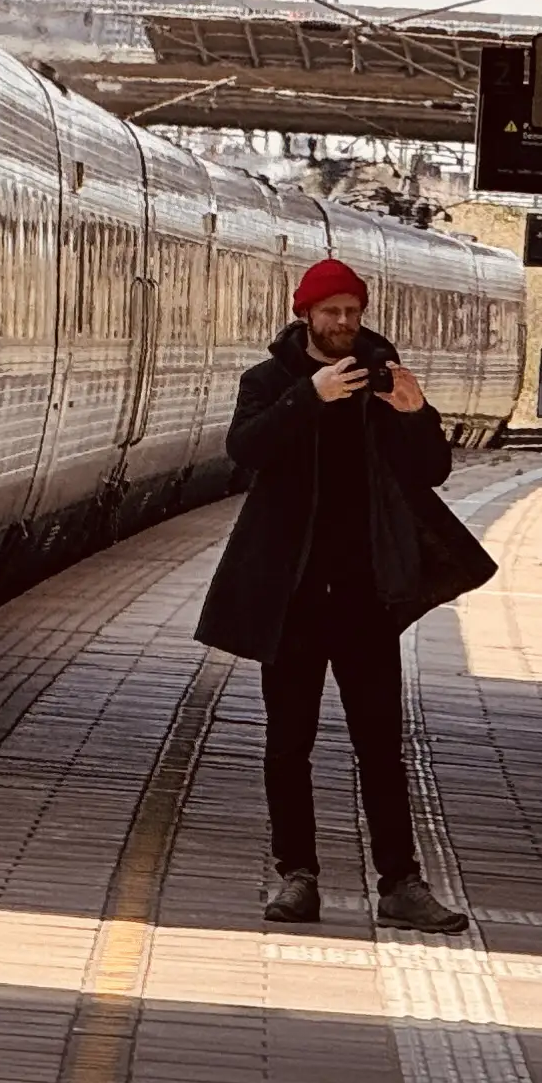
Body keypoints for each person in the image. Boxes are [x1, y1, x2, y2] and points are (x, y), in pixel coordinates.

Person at [195, 255, 493, 932]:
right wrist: (310, 396)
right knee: (287, 744)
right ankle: (297, 877)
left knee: (381, 745)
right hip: (293, 597)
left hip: (365, 596)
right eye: (331, 312)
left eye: (352, 312)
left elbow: (431, 471)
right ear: (305, 314)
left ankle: (401, 883)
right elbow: (246, 450)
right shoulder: (268, 381)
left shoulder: (383, 379)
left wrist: (417, 415)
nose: (343, 322)